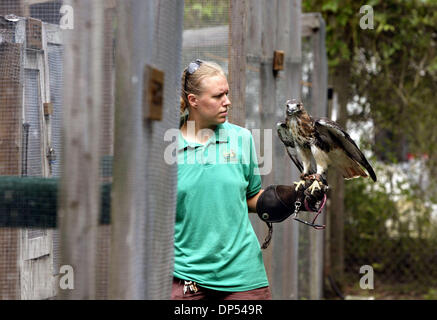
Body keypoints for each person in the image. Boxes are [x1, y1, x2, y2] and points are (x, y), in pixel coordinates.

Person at [172, 59, 326, 300]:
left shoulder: (241, 139)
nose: (227, 102)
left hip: (242, 275)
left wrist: (292, 198)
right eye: (218, 96)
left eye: (228, 93)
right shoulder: (168, 145)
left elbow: (250, 197)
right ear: (193, 101)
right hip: (187, 275)